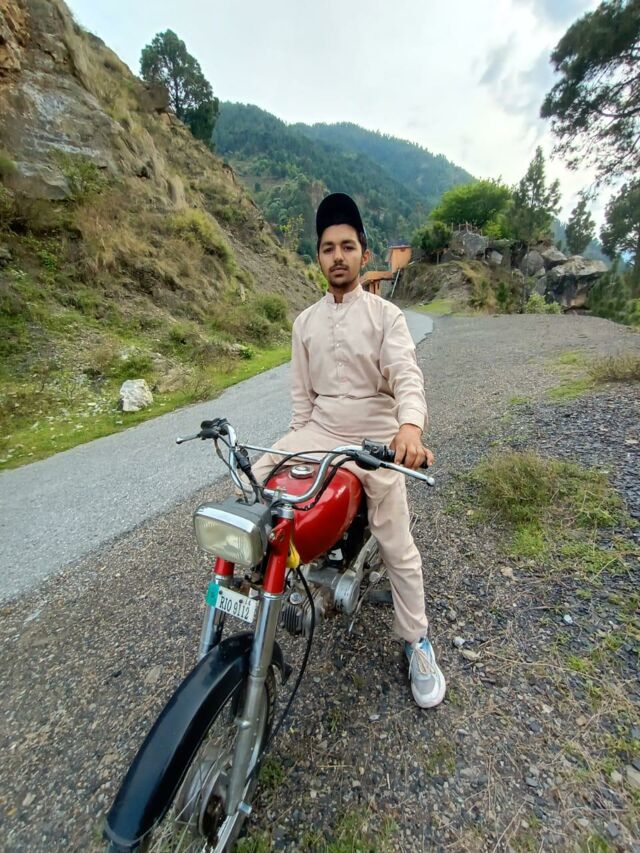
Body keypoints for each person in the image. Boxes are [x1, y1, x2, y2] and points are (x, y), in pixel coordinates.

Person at [251, 193, 446, 709]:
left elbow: (407, 376)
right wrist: (293, 448)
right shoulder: (304, 323)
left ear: (363, 253)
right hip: (318, 428)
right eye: (328, 248)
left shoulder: (386, 316)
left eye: (347, 246)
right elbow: (301, 403)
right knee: (254, 486)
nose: (337, 256)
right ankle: (258, 596)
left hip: (376, 434)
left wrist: (409, 429)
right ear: (318, 257)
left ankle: (417, 641)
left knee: (397, 544)